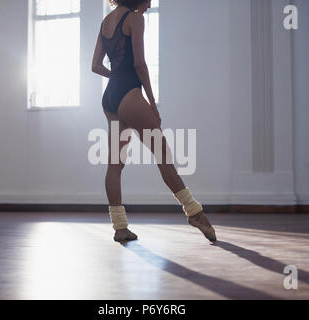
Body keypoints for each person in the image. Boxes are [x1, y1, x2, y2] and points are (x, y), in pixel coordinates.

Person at [92, 0, 216, 242]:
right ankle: (193, 211)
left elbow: (95, 66)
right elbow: (139, 63)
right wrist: (151, 101)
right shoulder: (135, 18)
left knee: (115, 165)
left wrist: (115, 77)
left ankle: (120, 227)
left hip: (110, 97)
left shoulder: (105, 22)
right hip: (130, 93)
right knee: (163, 156)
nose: (150, 4)